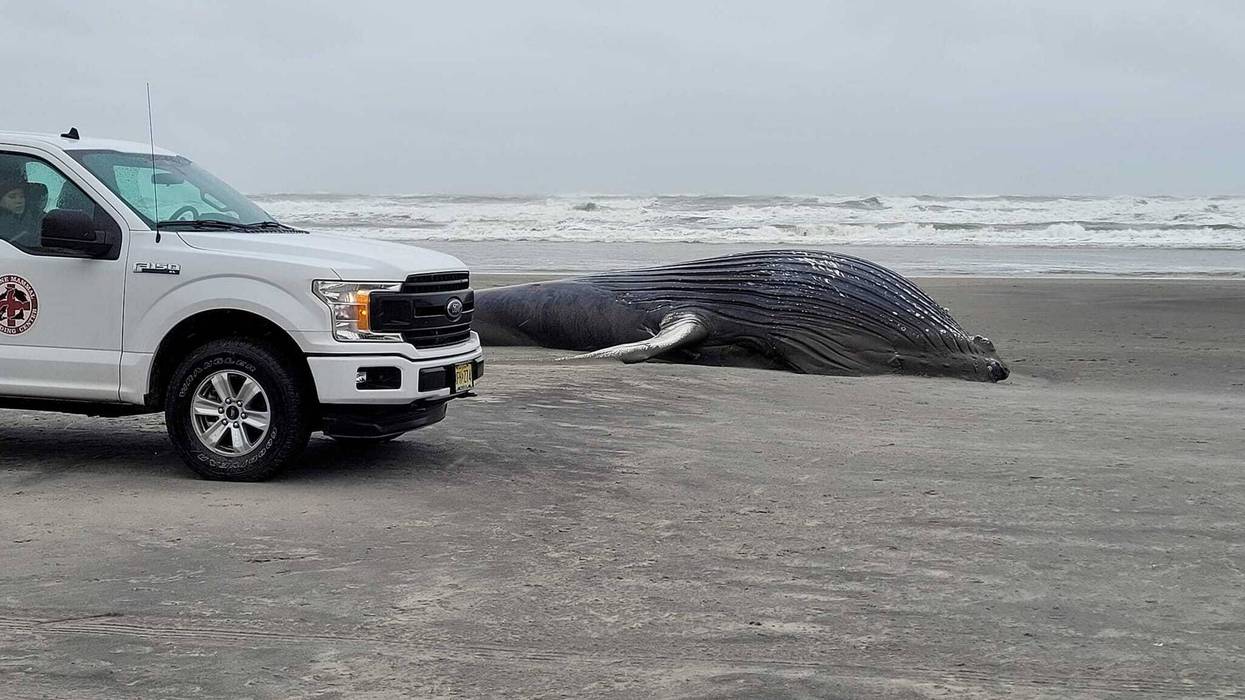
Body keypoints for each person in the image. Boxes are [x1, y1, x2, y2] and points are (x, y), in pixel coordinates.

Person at [0, 179, 38, 248]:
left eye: (22, 196)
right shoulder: (3, 224)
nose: (19, 201)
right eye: (12, 197)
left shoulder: (32, 219)